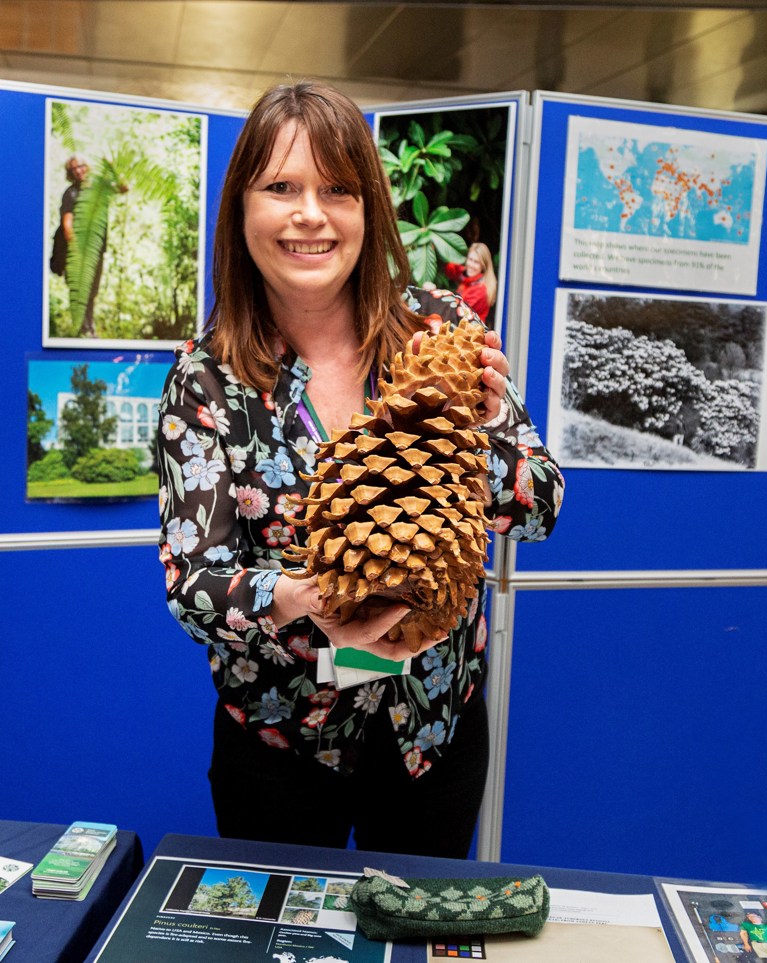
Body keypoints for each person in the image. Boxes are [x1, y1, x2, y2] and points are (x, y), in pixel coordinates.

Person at [157, 81, 564, 858]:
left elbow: (541, 507)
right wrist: (313, 596)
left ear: (368, 209)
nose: (311, 213)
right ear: (242, 209)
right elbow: (192, 585)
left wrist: (478, 432)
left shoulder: (438, 331)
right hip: (279, 744)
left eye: (338, 189)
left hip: (431, 731)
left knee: (415, 930)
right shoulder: (206, 377)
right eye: (282, 187)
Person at [50, 155, 105, 337]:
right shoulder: (70, 194)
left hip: (96, 250)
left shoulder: (97, 190)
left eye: (81, 166)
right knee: (79, 291)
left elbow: (123, 188)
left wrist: (111, 167)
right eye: (74, 169)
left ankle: (88, 328)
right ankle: (83, 331)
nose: (79, 170)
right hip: (77, 253)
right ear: (70, 173)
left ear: (87, 167)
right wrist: (77, 251)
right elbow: (67, 224)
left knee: (92, 291)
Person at [443, 242, 498, 323]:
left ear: (483, 266)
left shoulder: (481, 289)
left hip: (468, 332)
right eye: (470, 259)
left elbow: (458, 311)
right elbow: (451, 269)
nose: (471, 265)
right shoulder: (470, 277)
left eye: (476, 262)